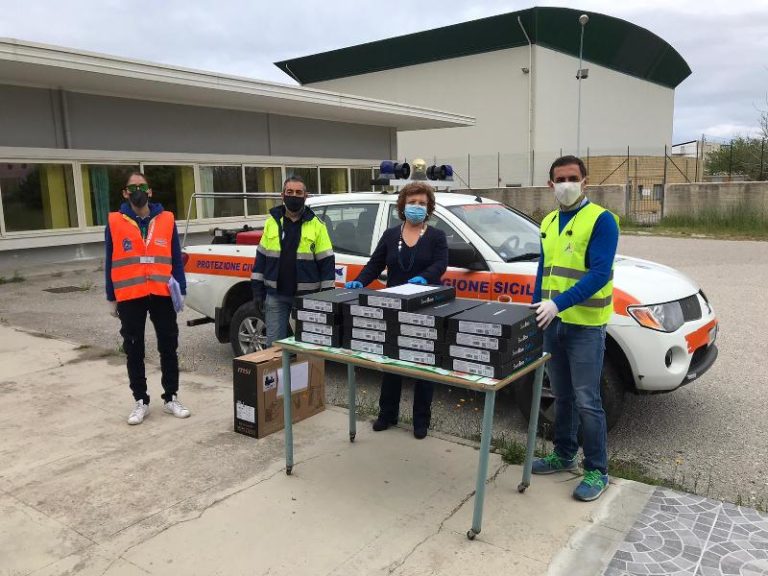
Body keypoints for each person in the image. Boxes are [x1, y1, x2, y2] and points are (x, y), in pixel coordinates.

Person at [530, 155, 620, 502]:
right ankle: (563, 453)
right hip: (552, 323)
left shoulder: (602, 220)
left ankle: (597, 470)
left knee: (587, 399)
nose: (566, 184)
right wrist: (538, 304)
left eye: (572, 178)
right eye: (559, 179)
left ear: (585, 181)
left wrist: (558, 304)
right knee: (563, 395)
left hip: (584, 326)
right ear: (550, 185)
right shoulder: (549, 221)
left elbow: (599, 274)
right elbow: (545, 268)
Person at [345, 182, 448, 439]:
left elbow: (441, 264)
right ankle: (386, 414)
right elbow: (375, 263)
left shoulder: (436, 236)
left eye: (422, 203)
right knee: (391, 361)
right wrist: (360, 280)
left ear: (429, 207)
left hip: (426, 308)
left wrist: (425, 278)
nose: (417, 207)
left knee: (424, 366)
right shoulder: (391, 235)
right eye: (412, 202)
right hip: (394, 308)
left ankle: (421, 420)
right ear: (402, 206)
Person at [105, 172, 190, 425]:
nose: (137, 191)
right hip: (130, 295)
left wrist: (181, 289)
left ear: (150, 191)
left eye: (142, 186)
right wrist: (111, 296)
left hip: (162, 293)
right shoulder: (114, 221)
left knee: (168, 345)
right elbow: (109, 258)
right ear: (125, 193)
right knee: (134, 348)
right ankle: (140, 400)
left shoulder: (166, 219)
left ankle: (171, 397)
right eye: (133, 188)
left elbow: (175, 255)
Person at [251, 175, 335, 346]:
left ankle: (302, 374)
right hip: (276, 295)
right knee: (274, 348)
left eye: (298, 192)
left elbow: (327, 264)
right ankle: (280, 374)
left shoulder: (317, 225)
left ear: (306, 196)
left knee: (308, 347)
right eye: (290, 192)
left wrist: (326, 298)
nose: (294, 196)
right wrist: (257, 292)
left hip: (308, 297)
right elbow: (261, 259)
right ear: (282, 195)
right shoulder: (271, 223)